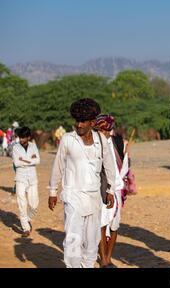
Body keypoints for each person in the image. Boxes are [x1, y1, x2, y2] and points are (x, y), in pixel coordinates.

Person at [48, 98, 117, 268]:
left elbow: (109, 167)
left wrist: (110, 189)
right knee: (72, 241)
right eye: (76, 121)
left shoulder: (101, 140)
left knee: (92, 243)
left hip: (94, 198)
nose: (78, 125)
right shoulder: (67, 140)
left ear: (92, 122)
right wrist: (52, 191)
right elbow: (58, 166)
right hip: (73, 197)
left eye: (82, 121)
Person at [95, 114, 130, 268]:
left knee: (114, 225)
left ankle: (109, 257)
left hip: (116, 189)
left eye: (107, 129)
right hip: (100, 188)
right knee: (102, 224)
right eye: (102, 129)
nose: (106, 132)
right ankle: (103, 260)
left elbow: (125, 165)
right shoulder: (94, 144)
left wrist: (117, 184)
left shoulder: (118, 143)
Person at [12, 127, 40, 237]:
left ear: (28, 137)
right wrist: (30, 160)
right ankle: (25, 227)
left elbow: (37, 160)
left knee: (34, 205)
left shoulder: (33, 146)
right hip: (20, 177)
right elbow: (16, 163)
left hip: (32, 178)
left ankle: (27, 219)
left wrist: (23, 159)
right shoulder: (15, 147)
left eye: (23, 137)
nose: (21, 139)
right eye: (20, 137)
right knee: (21, 202)